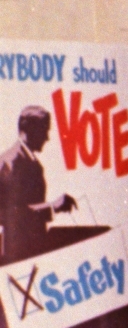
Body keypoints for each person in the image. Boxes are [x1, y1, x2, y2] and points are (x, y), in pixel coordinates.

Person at [1, 106, 78, 265]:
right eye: (44, 131)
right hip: (18, 258)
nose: (47, 138)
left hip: (30, 254)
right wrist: (52, 207)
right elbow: (6, 213)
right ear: (30, 129)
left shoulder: (26, 160)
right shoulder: (12, 162)